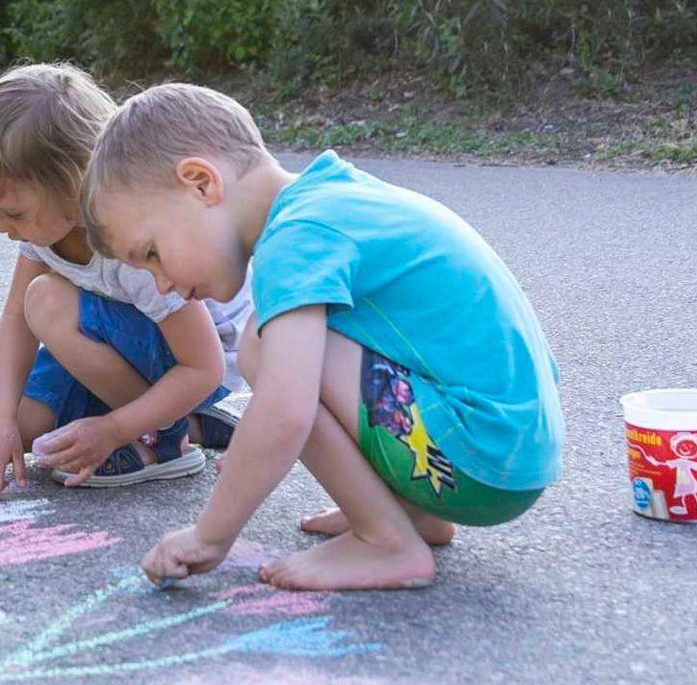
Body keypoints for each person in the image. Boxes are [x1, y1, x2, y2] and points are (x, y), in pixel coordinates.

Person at [81, 83, 563, 592]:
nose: (162, 285)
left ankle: (384, 539)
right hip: (507, 455)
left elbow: (285, 412)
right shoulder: (334, 199)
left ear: (201, 183)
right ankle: (410, 514)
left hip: (477, 458)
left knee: (264, 346)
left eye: (152, 253)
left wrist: (210, 535)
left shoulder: (296, 239)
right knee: (287, 338)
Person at [0, 64, 249, 498]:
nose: (1, 226)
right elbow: (15, 323)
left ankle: (165, 442)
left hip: (196, 361)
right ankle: (187, 422)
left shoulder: (134, 248)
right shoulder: (44, 232)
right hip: (128, 344)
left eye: (12, 212)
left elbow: (205, 367)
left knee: (47, 301)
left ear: (73, 185)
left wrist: (114, 430)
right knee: (26, 428)